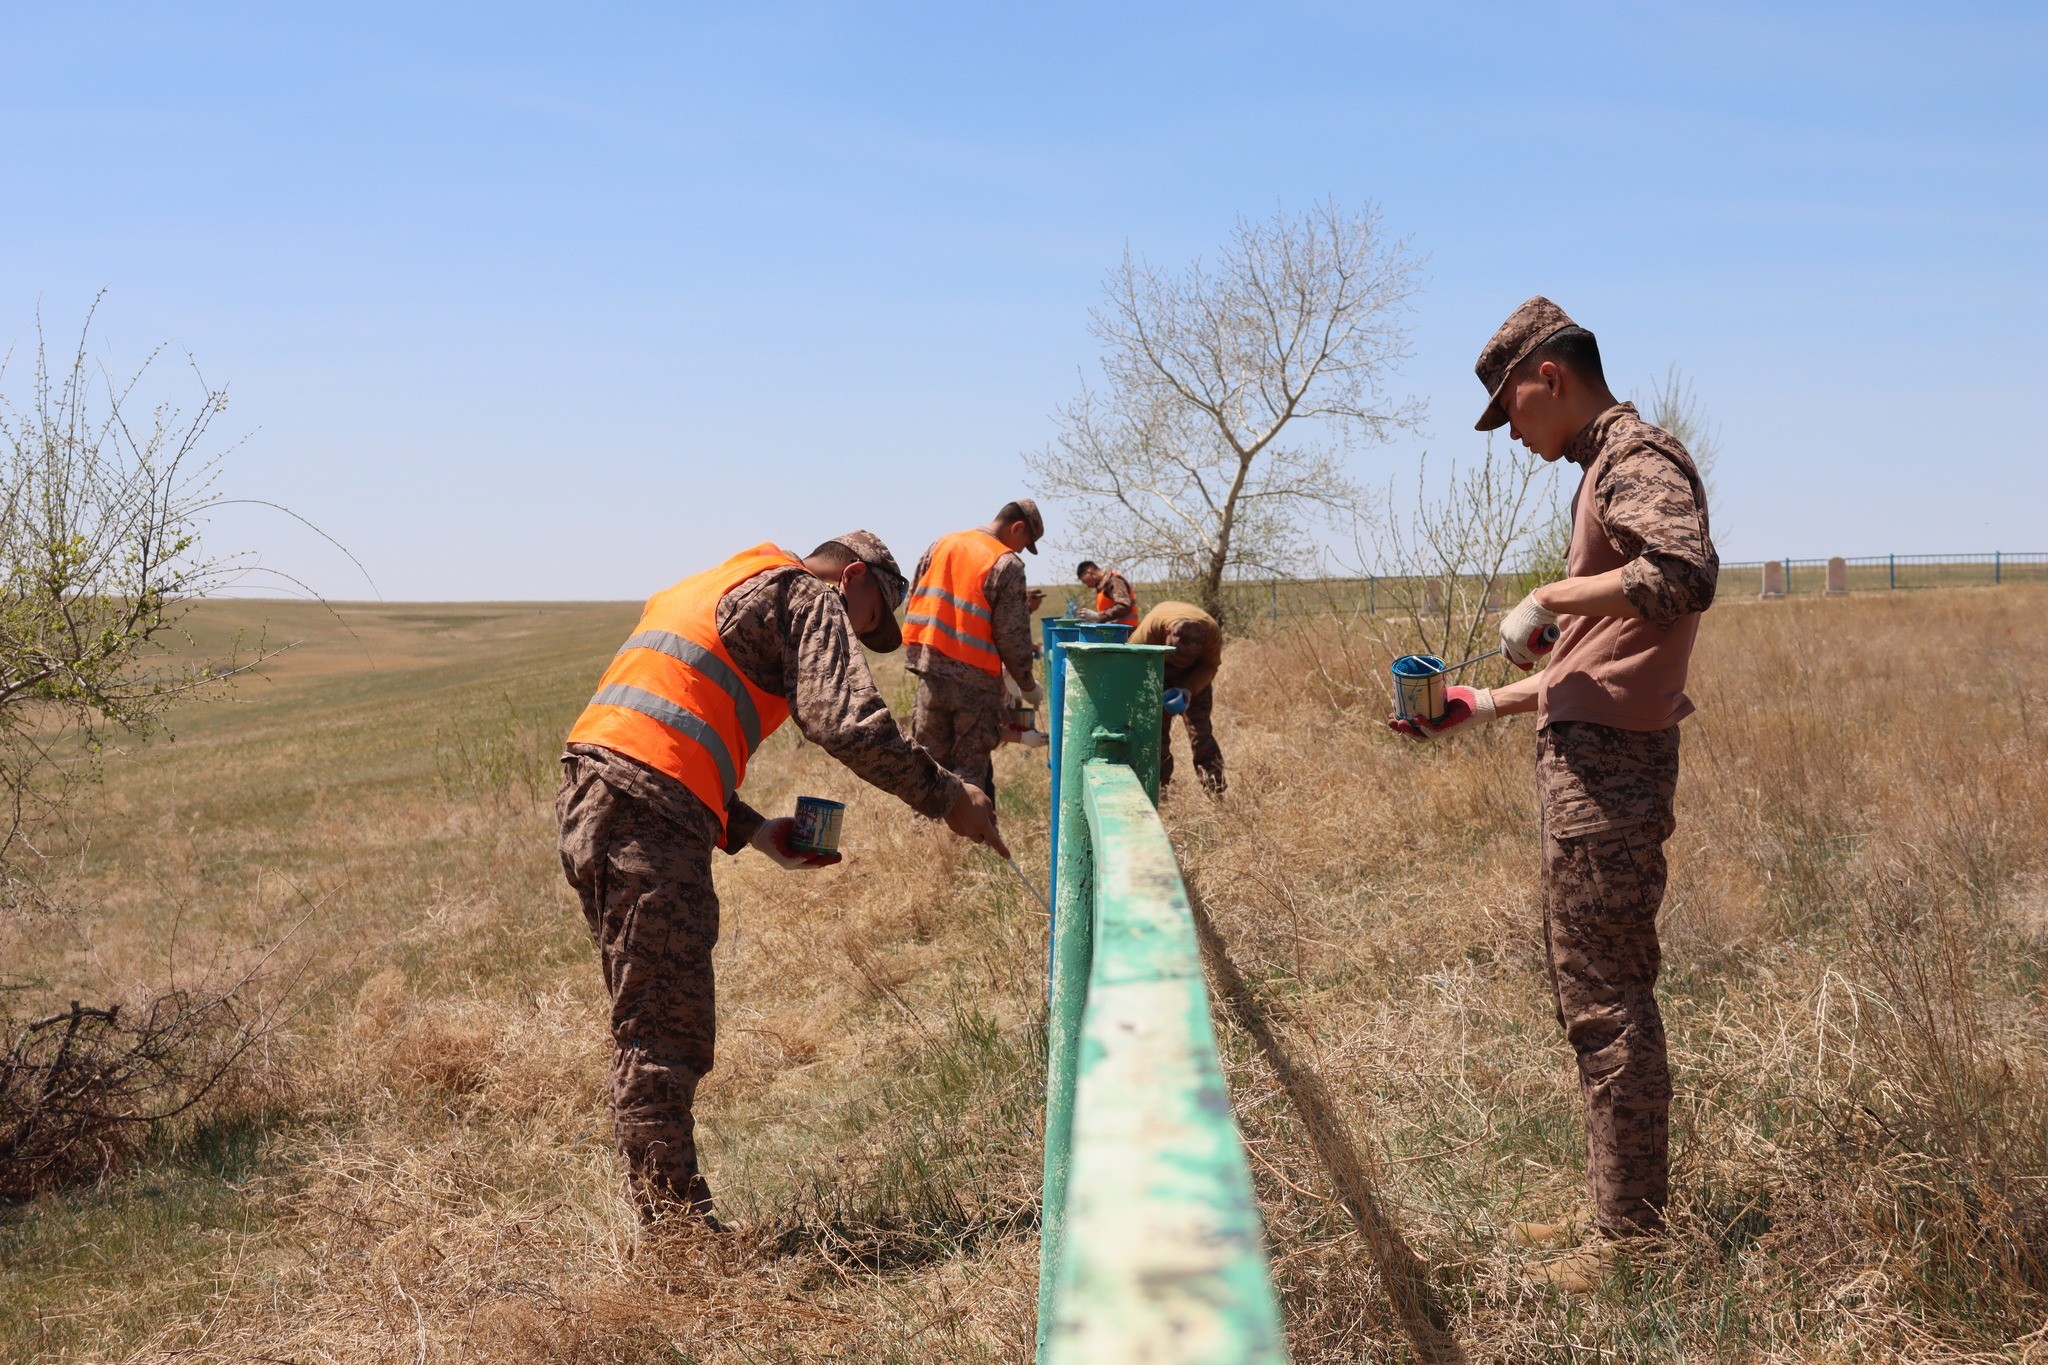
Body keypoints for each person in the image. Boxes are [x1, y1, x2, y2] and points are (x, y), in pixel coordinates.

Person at [1390, 298, 1717, 1291]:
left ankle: (1631, 1245)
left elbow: (1683, 575)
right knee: (1589, 1000)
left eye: (1510, 414)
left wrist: (1550, 598)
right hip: (1592, 760)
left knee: (1606, 1005)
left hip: (1609, 776)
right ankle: (1615, 1211)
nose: (1514, 440)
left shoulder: (1633, 462)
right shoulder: (1600, 473)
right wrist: (1484, 702)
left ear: (1547, 375)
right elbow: (1601, 657)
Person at [556, 532, 1007, 1230]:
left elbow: (659, 736)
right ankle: (680, 1241)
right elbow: (846, 723)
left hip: (596, 793)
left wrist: (756, 832)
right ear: (851, 577)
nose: (858, 636)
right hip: (646, 810)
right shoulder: (803, 592)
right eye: (869, 619)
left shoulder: (712, 583)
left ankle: (671, 1223)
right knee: (663, 1033)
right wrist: (949, 797)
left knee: (647, 1019)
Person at [903, 500, 1045, 798]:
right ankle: (964, 837)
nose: (1020, 550)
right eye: (1025, 543)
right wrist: (1027, 684)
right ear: (1017, 527)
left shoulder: (943, 544)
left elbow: (913, 597)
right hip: (974, 683)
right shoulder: (1006, 563)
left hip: (931, 672)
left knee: (929, 763)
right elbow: (1012, 634)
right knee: (969, 767)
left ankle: (927, 835)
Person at [1131, 601, 1226, 793]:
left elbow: (1209, 666)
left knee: (1201, 733)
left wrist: (1189, 688)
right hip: (1157, 669)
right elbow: (1131, 662)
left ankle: (1215, 789)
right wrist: (1151, 696)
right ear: (1167, 631)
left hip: (1195, 673)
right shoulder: (1150, 629)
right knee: (1155, 734)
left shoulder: (1211, 632)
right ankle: (1159, 791)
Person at [1074, 561, 1138, 627]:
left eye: (1084, 581)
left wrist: (1097, 616)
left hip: (1125, 633)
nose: (1087, 585)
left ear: (1089, 572)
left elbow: (1124, 606)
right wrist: (1094, 619)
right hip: (1115, 632)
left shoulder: (1114, 581)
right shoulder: (1102, 587)